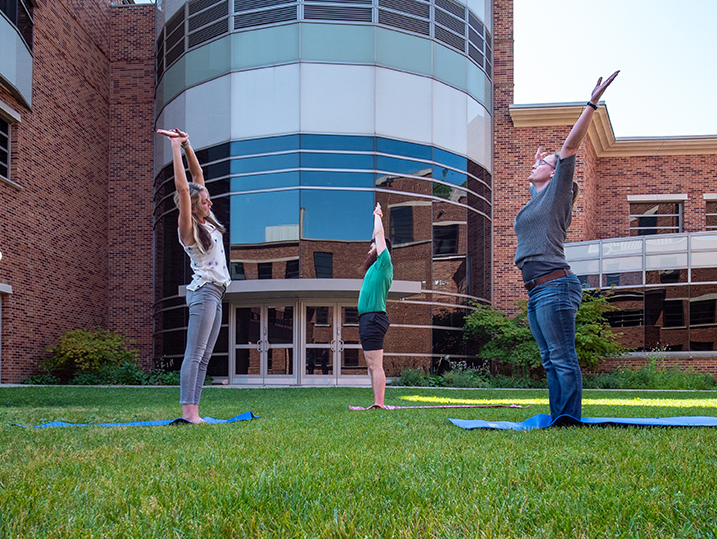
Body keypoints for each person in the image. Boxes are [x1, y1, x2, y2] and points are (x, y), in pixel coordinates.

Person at [514, 71, 619, 420]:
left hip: (555, 286)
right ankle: (560, 415)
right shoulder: (537, 200)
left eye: (540, 163)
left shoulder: (559, 193)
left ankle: (568, 418)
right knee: (549, 360)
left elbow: (570, 148)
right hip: (537, 291)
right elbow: (541, 178)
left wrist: (591, 103)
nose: (534, 165)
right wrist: (540, 159)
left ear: (556, 171)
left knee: (561, 357)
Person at [157, 128, 231, 424]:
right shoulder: (187, 228)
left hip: (218, 292)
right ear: (192, 205)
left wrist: (188, 145)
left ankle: (195, 412)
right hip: (204, 292)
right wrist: (174, 147)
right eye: (205, 202)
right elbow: (185, 187)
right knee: (195, 353)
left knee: (204, 356)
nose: (209, 203)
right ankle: (189, 413)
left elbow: (197, 177)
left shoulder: (207, 219)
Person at [358, 202, 393, 409]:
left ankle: (379, 403)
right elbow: (375, 237)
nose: (369, 249)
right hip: (367, 318)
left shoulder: (384, 263)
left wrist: (377, 215)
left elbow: (379, 237)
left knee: (375, 364)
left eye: (372, 247)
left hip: (373, 318)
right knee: (371, 365)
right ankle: (376, 402)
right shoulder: (374, 268)